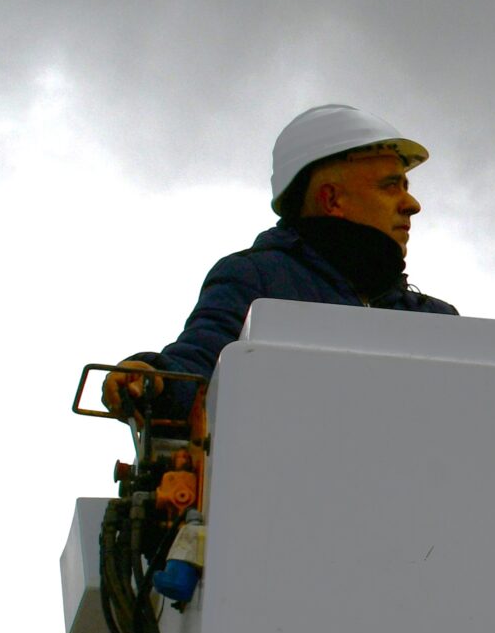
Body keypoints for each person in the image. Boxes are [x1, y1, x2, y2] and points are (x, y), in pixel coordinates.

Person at [105, 104, 458, 418]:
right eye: (391, 186)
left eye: (406, 187)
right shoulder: (256, 278)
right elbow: (200, 368)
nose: (412, 204)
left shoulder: (436, 319)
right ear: (332, 199)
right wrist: (153, 381)